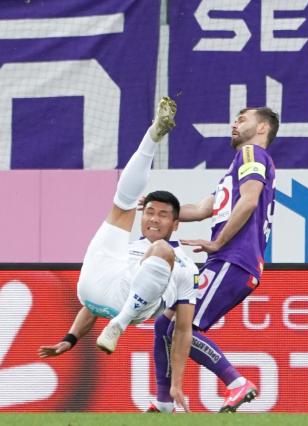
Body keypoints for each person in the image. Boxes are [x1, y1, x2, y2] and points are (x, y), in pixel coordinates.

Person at [38, 97, 198, 412]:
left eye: (162, 215)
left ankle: (120, 324)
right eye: (149, 212)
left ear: (175, 223)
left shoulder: (186, 265)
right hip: (95, 288)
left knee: (161, 250)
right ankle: (155, 133)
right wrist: (69, 339)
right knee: (121, 203)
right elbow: (92, 305)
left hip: (137, 306)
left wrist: (176, 382)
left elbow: (182, 329)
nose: (153, 218)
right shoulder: (129, 247)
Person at [147, 106, 278, 413]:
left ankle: (236, 383)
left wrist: (218, 242)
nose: (234, 124)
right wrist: (158, 207)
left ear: (262, 128)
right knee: (163, 327)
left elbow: (249, 201)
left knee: (183, 327)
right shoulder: (236, 168)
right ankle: (164, 402)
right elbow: (201, 209)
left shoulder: (251, 155)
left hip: (234, 258)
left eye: (243, 119)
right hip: (228, 260)